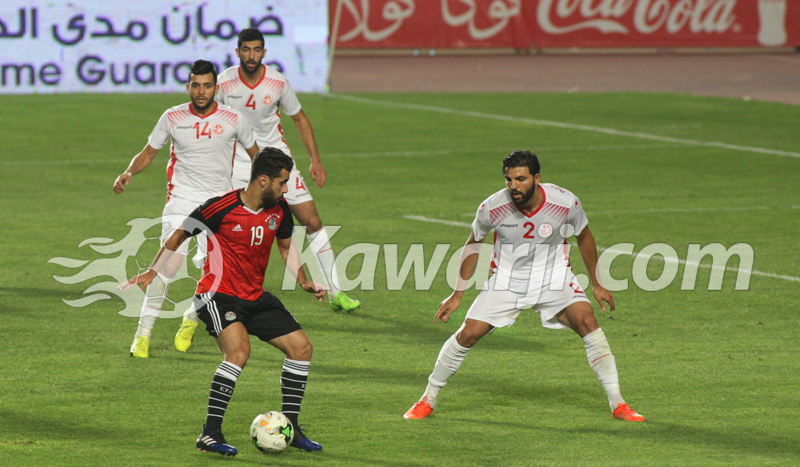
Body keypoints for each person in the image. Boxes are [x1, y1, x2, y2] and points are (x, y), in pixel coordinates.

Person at [404, 150, 645, 423]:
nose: (513, 186)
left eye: (520, 179)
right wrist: (457, 293)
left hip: (554, 278)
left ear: (537, 178)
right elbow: (473, 245)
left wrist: (598, 283)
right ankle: (427, 398)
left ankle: (619, 404)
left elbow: (584, 236)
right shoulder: (492, 208)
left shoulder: (565, 202)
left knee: (587, 321)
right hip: (507, 280)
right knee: (468, 334)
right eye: (508, 180)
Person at [123, 148, 326, 455]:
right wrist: (153, 269)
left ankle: (293, 428)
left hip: (254, 296)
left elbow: (286, 247)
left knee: (301, 348)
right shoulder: (220, 208)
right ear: (262, 180)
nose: (286, 189)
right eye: (282, 183)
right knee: (239, 352)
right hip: (217, 295)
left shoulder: (279, 210)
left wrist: (303, 280)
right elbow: (179, 235)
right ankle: (210, 434)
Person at [113, 60, 259, 359]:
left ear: (216, 88)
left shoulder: (233, 118)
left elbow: (257, 156)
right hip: (181, 199)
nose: (201, 91)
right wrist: (128, 172)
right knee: (168, 266)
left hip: (219, 204)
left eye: (207, 85)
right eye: (196, 85)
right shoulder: (172, 116)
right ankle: (142, 336)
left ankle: (191, 319)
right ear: (188, 86)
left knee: (214, 273)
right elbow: (149, 152)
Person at [212, 27, 360, 316]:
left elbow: (300, 119)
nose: (251, 55)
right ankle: (218, 295)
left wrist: (315, 160)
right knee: (228, 229)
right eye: (246, 49)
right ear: (237, 52)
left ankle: (336, 291)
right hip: (241, 166)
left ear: (264, 52)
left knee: (313, 221)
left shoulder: (277, 82)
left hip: (279, 164)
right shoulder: (224, 84)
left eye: (256, 50)